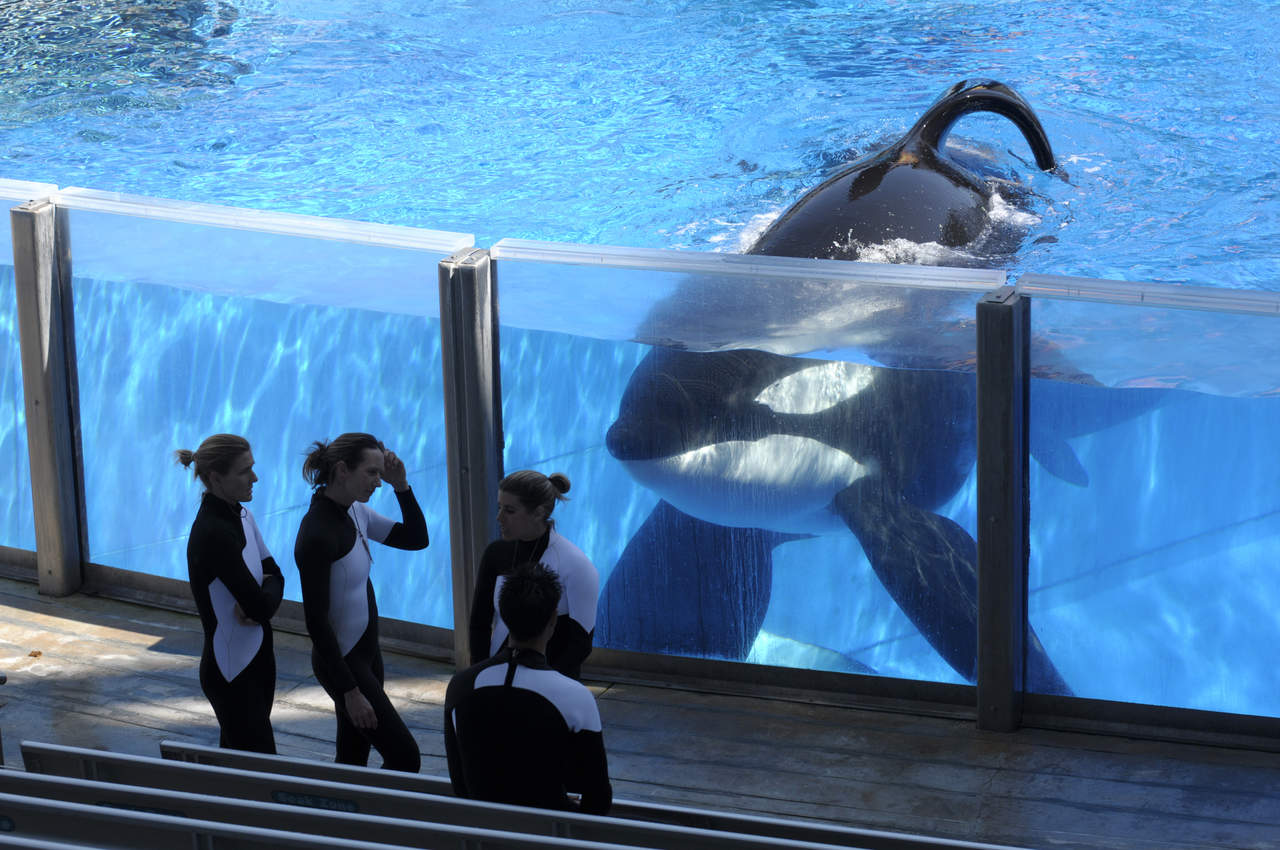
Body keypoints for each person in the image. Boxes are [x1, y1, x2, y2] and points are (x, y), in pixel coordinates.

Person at [294, 432, 428, 771]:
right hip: (343, 664)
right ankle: (377, 824)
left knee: (352, 757)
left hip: (368, 656)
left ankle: (346, 821)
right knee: (404, 756)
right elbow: (316, 622)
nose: (378, 483)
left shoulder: (356, 513)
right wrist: (350, 692)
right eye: (372, 473)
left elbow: (416, 539)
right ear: (342, 470)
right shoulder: (317, 534)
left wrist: (402, 486)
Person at [446, 562, 611, 814]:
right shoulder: (576, 697)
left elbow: (460, 784)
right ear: (553, 619)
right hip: (547, 835)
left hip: (483, 832)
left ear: (502, 613)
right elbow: (598, 800)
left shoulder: (460, 685)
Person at [177, 433, 284, 754]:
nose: (255, 477)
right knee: (261, 776)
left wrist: (266, 591)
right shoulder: (213, 533)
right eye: (244, 471)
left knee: (241, 776)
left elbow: (275, 575)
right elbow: (261, 607)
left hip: (258, 661)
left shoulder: (242, 515)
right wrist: (265, 593)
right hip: (232, 673)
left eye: (252, 467)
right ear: (215, 478)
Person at [469, 470, 599, 680]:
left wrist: (542, 685)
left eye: (509, 510)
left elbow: (580, 645)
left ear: (539, 512)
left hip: (553, 683)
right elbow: (479, 623)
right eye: (499, 507)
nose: (499, 517)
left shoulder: (576, 564)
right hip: (499, 677)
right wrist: (480, 675)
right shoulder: (495, 553)